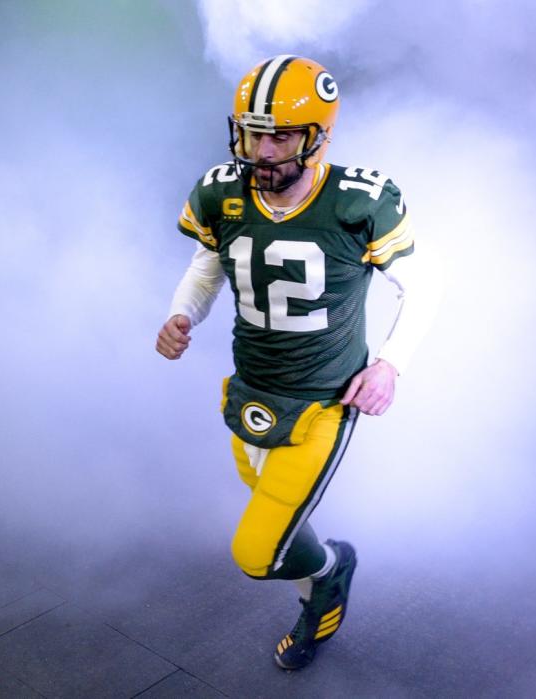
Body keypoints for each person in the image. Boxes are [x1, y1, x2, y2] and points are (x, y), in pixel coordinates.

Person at [154, 55, 436, 671]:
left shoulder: (359, 201)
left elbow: (425, 286)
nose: (264, 148)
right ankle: (322, 580)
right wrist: (183, 314)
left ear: (317, 137)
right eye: (255, 132)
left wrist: (389, 364)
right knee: (281, 522)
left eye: (281, 134)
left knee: (259, 551)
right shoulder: (221, 190)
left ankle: (331, 574)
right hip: (251, 389)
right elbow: (208, 264)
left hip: (322, 401)